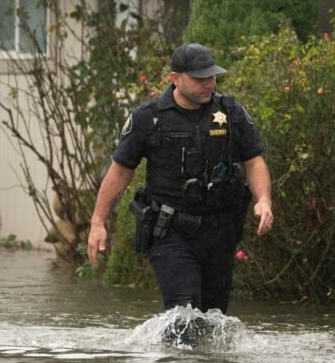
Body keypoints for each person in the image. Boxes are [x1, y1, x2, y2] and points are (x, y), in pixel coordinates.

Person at [87, 42, 273, 318]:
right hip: (171, 233)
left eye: (211, 77)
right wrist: (98, 222)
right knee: (184, 313)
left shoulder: (230, 113)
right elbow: (120, 172)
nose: (208, 84)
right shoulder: (147, 119)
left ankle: (199, 362)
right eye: (199, 78)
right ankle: (173, 362)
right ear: (174, 78)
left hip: (219, 232)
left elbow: (253, 160)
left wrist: (264, 200)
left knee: (214, 318)